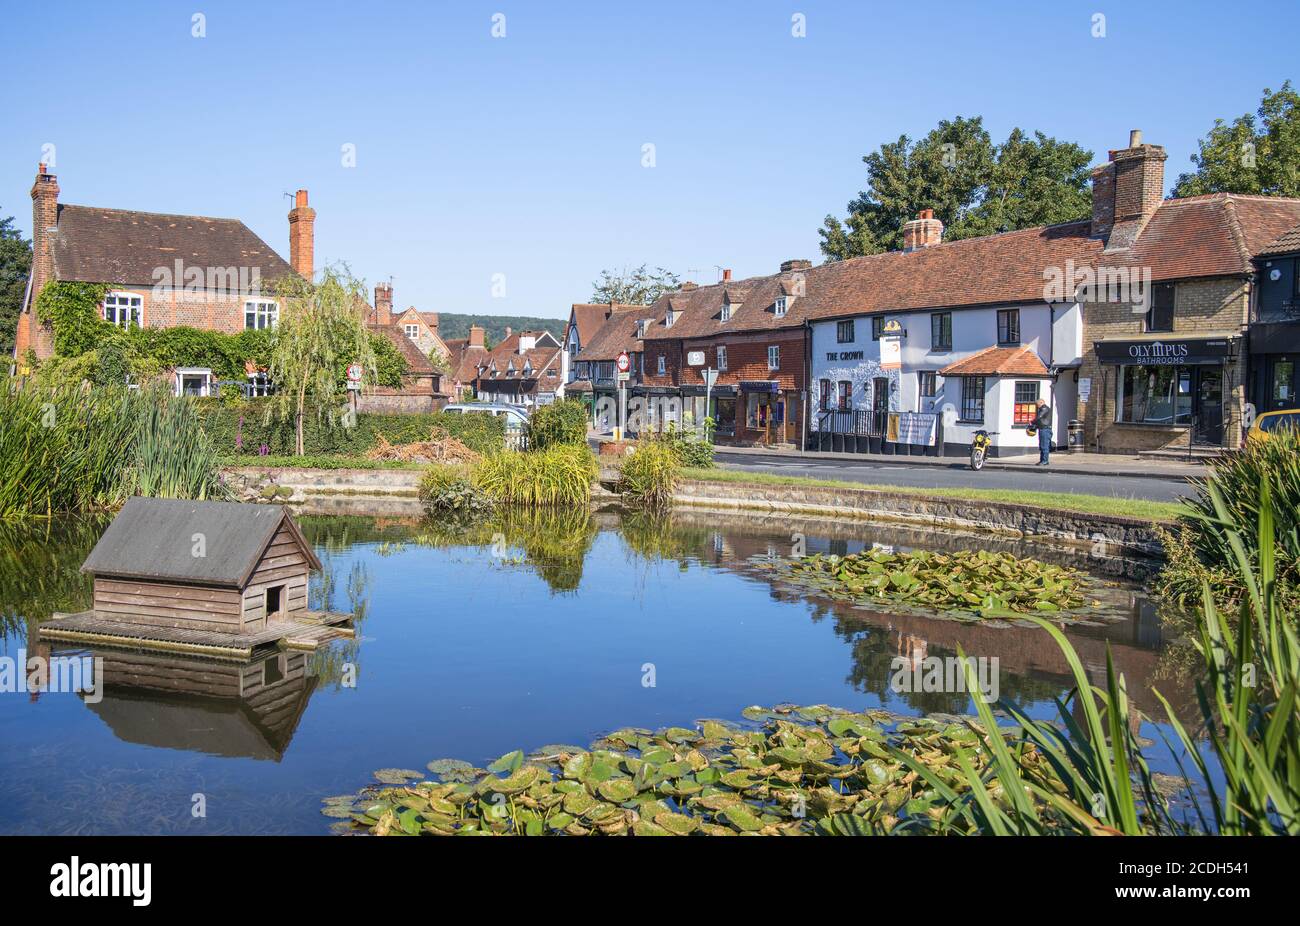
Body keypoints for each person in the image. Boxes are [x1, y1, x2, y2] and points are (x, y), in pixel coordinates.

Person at [1034, 399, 1053, 465]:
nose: (1037, 406)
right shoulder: (1042, 409)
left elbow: (1039, 417)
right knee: (1042, 446)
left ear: (1041, 402)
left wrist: (1032, 422)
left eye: (1037, 404)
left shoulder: (1044, 408)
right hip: (1043, 429)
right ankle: (1042, 460)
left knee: (1044, 446)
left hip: (1045, 429)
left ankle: (1045, 461)